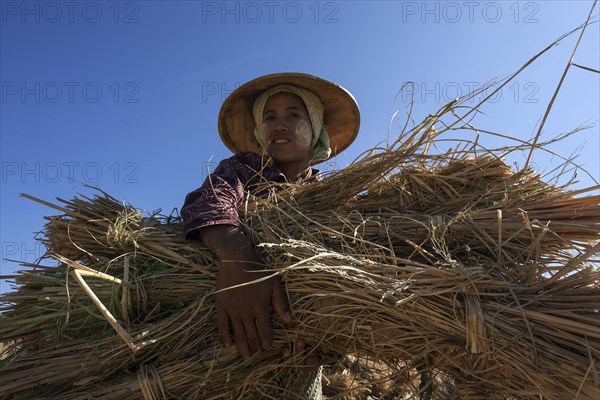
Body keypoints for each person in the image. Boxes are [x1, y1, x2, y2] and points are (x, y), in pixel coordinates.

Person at [181, 72, 360, 398]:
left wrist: (337, 335)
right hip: (233, 343)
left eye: (294, 115)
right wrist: (238, 259)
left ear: (316, 127)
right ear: (260, 131)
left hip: (300, 349)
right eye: (270, 117)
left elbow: (355, 265)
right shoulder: (243, 170)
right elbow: (209, 201)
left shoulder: (333, 194)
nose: (280, 124)